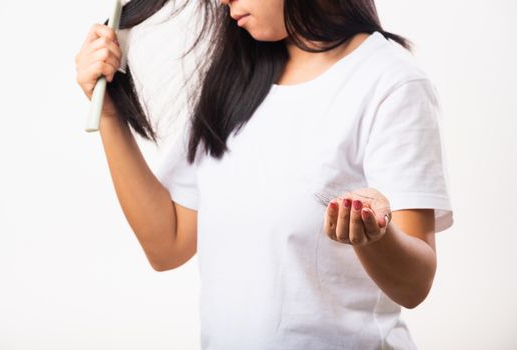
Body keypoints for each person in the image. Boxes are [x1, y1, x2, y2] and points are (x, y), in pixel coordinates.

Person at [75, 0, 454, 348]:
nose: (223, 1)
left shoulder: (389, 82)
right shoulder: (234, 83)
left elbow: (415, 285)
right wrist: (109, 113)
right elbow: (167, 244)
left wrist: (374, 235)